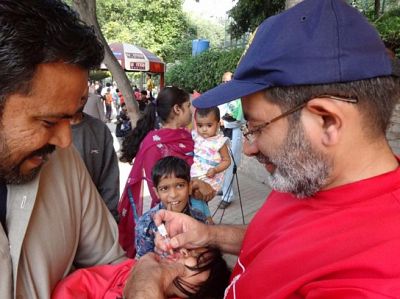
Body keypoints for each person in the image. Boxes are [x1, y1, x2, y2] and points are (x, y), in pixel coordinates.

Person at [124, 0, 400, 297]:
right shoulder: (311, 175)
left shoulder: (377, 277)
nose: (249, 149)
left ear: (326, 121)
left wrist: (145, 281)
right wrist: (209, 235)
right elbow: (277, 241)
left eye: (255, 127)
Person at [0, 1, 126, 298]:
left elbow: (111, 266)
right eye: (48, 121)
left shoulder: (62, 160)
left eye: (71, 117)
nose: (66, 141)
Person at [118, 86, 215, 258]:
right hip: (169, 220)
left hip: (197, 212)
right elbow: (161, 188)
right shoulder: (154, 144)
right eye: (188, 106)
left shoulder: (187, 136)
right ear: (177, 109)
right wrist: (197, 184)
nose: (191, 111)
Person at [52, 247, 230, 299]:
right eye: (188, 249)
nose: (184, 252)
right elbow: (81, 282)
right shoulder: (133, 269)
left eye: (200, 260)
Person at [135, 156, 212, 258]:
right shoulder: (146, 224)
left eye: (180, 185)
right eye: (164, 188)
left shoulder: (199, 217)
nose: (173, 194)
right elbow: (143, 264)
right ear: (156, 192)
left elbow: (208, 251)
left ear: (189, 187)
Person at [70, 89, 120, 221]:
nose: (81, 94)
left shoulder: (99, 130)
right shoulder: (46, 130)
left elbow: (110, 180)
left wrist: (110, 220)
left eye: (83, 85)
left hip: (93, 220)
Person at [218, 71, 245, 209]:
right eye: (224, 81)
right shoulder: (223, 96)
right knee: (222, 163)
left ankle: (227, 196)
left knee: (229, 165)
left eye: (229, 82)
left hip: (233, 133)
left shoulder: (239, 99)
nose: (226, 84)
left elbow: (239, 119)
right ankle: (224, 188)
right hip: (222, 134)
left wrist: (224, 123)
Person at [191, 107, 231, 193]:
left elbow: (227, 161)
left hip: (210, 178)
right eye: (200, 125)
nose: (204, 129)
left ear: (218, 124)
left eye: (209, 125)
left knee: (198, 196)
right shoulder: (196, 136)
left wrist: (215, 170)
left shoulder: (220, 142)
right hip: (194, 173)